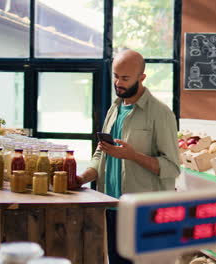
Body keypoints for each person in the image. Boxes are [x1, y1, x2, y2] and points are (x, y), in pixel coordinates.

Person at [77, 49, 180, 264]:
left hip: (144, 214)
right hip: (111, 208)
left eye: (125, 78)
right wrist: (81, 178)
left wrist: (133, 155)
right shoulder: (113, 110)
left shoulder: (160, 114)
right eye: (115, 76)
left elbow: (172, 167)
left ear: (141, 78)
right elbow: (100, 153)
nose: (118, 83)